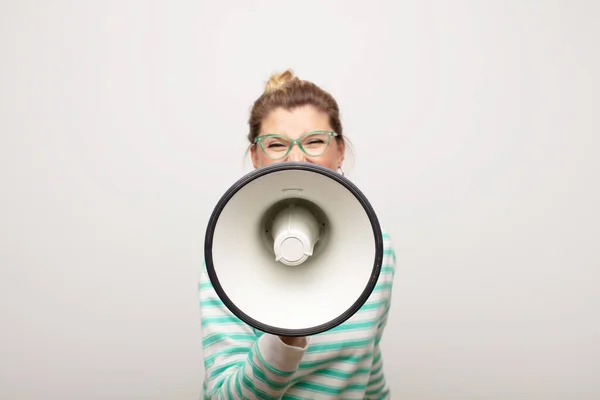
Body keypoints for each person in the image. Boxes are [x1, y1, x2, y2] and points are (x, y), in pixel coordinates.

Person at [198, 69, 397, 399]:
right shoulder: (222, 255)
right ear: (255, 157)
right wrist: (284, 341)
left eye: (315, 141)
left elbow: (367, 367)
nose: (296, 156)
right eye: (276, 144)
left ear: (340, 151)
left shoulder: (378, 250)